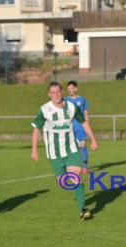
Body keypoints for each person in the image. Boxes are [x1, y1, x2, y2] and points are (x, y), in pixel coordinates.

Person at [31, 81, 98, 220]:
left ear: (62, 92)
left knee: (76, 176)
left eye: (58, 92)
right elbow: (36, 128)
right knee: (63, 183)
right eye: (53, 92)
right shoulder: (44, 109)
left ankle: (82, 209)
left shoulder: (72, 107)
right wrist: (34, 149)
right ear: (49, 94)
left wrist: (93, 139)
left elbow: (84, 122)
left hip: (71, 148)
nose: (56, 95)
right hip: (54, 151)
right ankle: (78, 196)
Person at [65, 80, 91, 172]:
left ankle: (84, 166)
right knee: (69, 146)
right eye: (68, 88)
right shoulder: (65, 100)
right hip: (69, 126)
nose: (70, 90)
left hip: (80, 126)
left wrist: (87, 126)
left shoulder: (82, 99)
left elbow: (86, 113)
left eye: (71, 88)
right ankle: (72, 165)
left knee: (82, 145)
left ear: (76, 88)